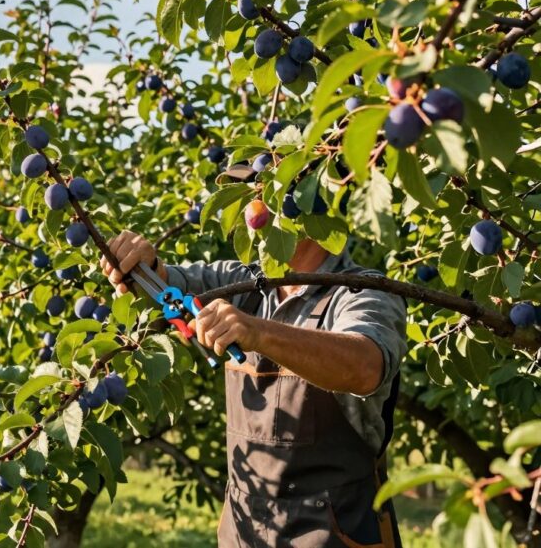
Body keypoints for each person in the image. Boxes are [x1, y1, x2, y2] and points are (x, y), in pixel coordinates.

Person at [101, 229, 408, 548]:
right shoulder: (242, 283)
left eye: (267, 191)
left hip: (337, 535)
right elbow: (167, 287)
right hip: (244, 533)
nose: (252, 210)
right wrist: (145, 266)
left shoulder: (363, 292)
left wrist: (259, 333)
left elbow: (364, 367)